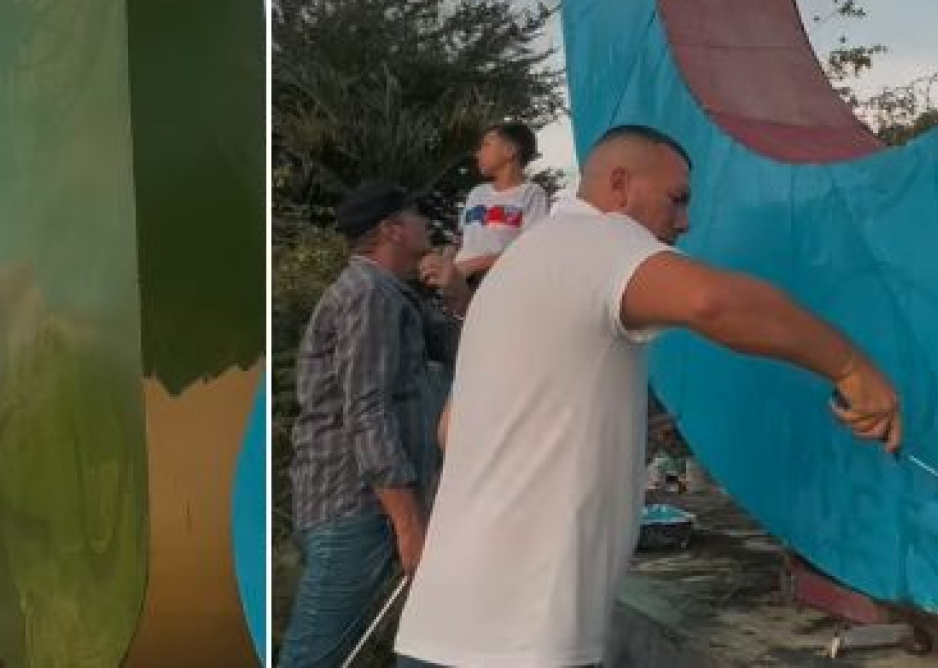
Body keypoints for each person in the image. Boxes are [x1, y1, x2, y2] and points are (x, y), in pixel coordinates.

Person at [393, 125, 902, 668]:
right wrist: (852, 367)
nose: (683, 221)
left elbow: (452, 428)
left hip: (441, 628)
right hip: (517, 639)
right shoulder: (597, 237)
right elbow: (712, 302)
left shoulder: (514, 268)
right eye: (676, 199)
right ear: (620, 185)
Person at [280, 182, 471, 668]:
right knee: (315, 655)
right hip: (357, 506)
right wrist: (408, 525)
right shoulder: (368, 295)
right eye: (417, 218)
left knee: (432, 638)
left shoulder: (394, 294)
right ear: (391, 230)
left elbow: (464, 355)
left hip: (377, 506)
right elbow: (366, 409)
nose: (428, 226)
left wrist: (454, 294)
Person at [454, 120, 550, 282]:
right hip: (461, 284)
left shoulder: (532, 194)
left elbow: (531, 250)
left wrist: (473, 265)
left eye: (486, 145)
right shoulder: (476, 193)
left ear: (510, 151)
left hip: (500, 284)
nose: (478, 154)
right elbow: (461, 241)